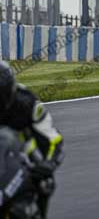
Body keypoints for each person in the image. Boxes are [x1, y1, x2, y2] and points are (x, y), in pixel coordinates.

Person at [0, 61, 64, 216]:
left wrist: (48, 164)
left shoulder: (27, 102)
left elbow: (52, 139)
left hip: (23, 161)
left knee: (44, 183)